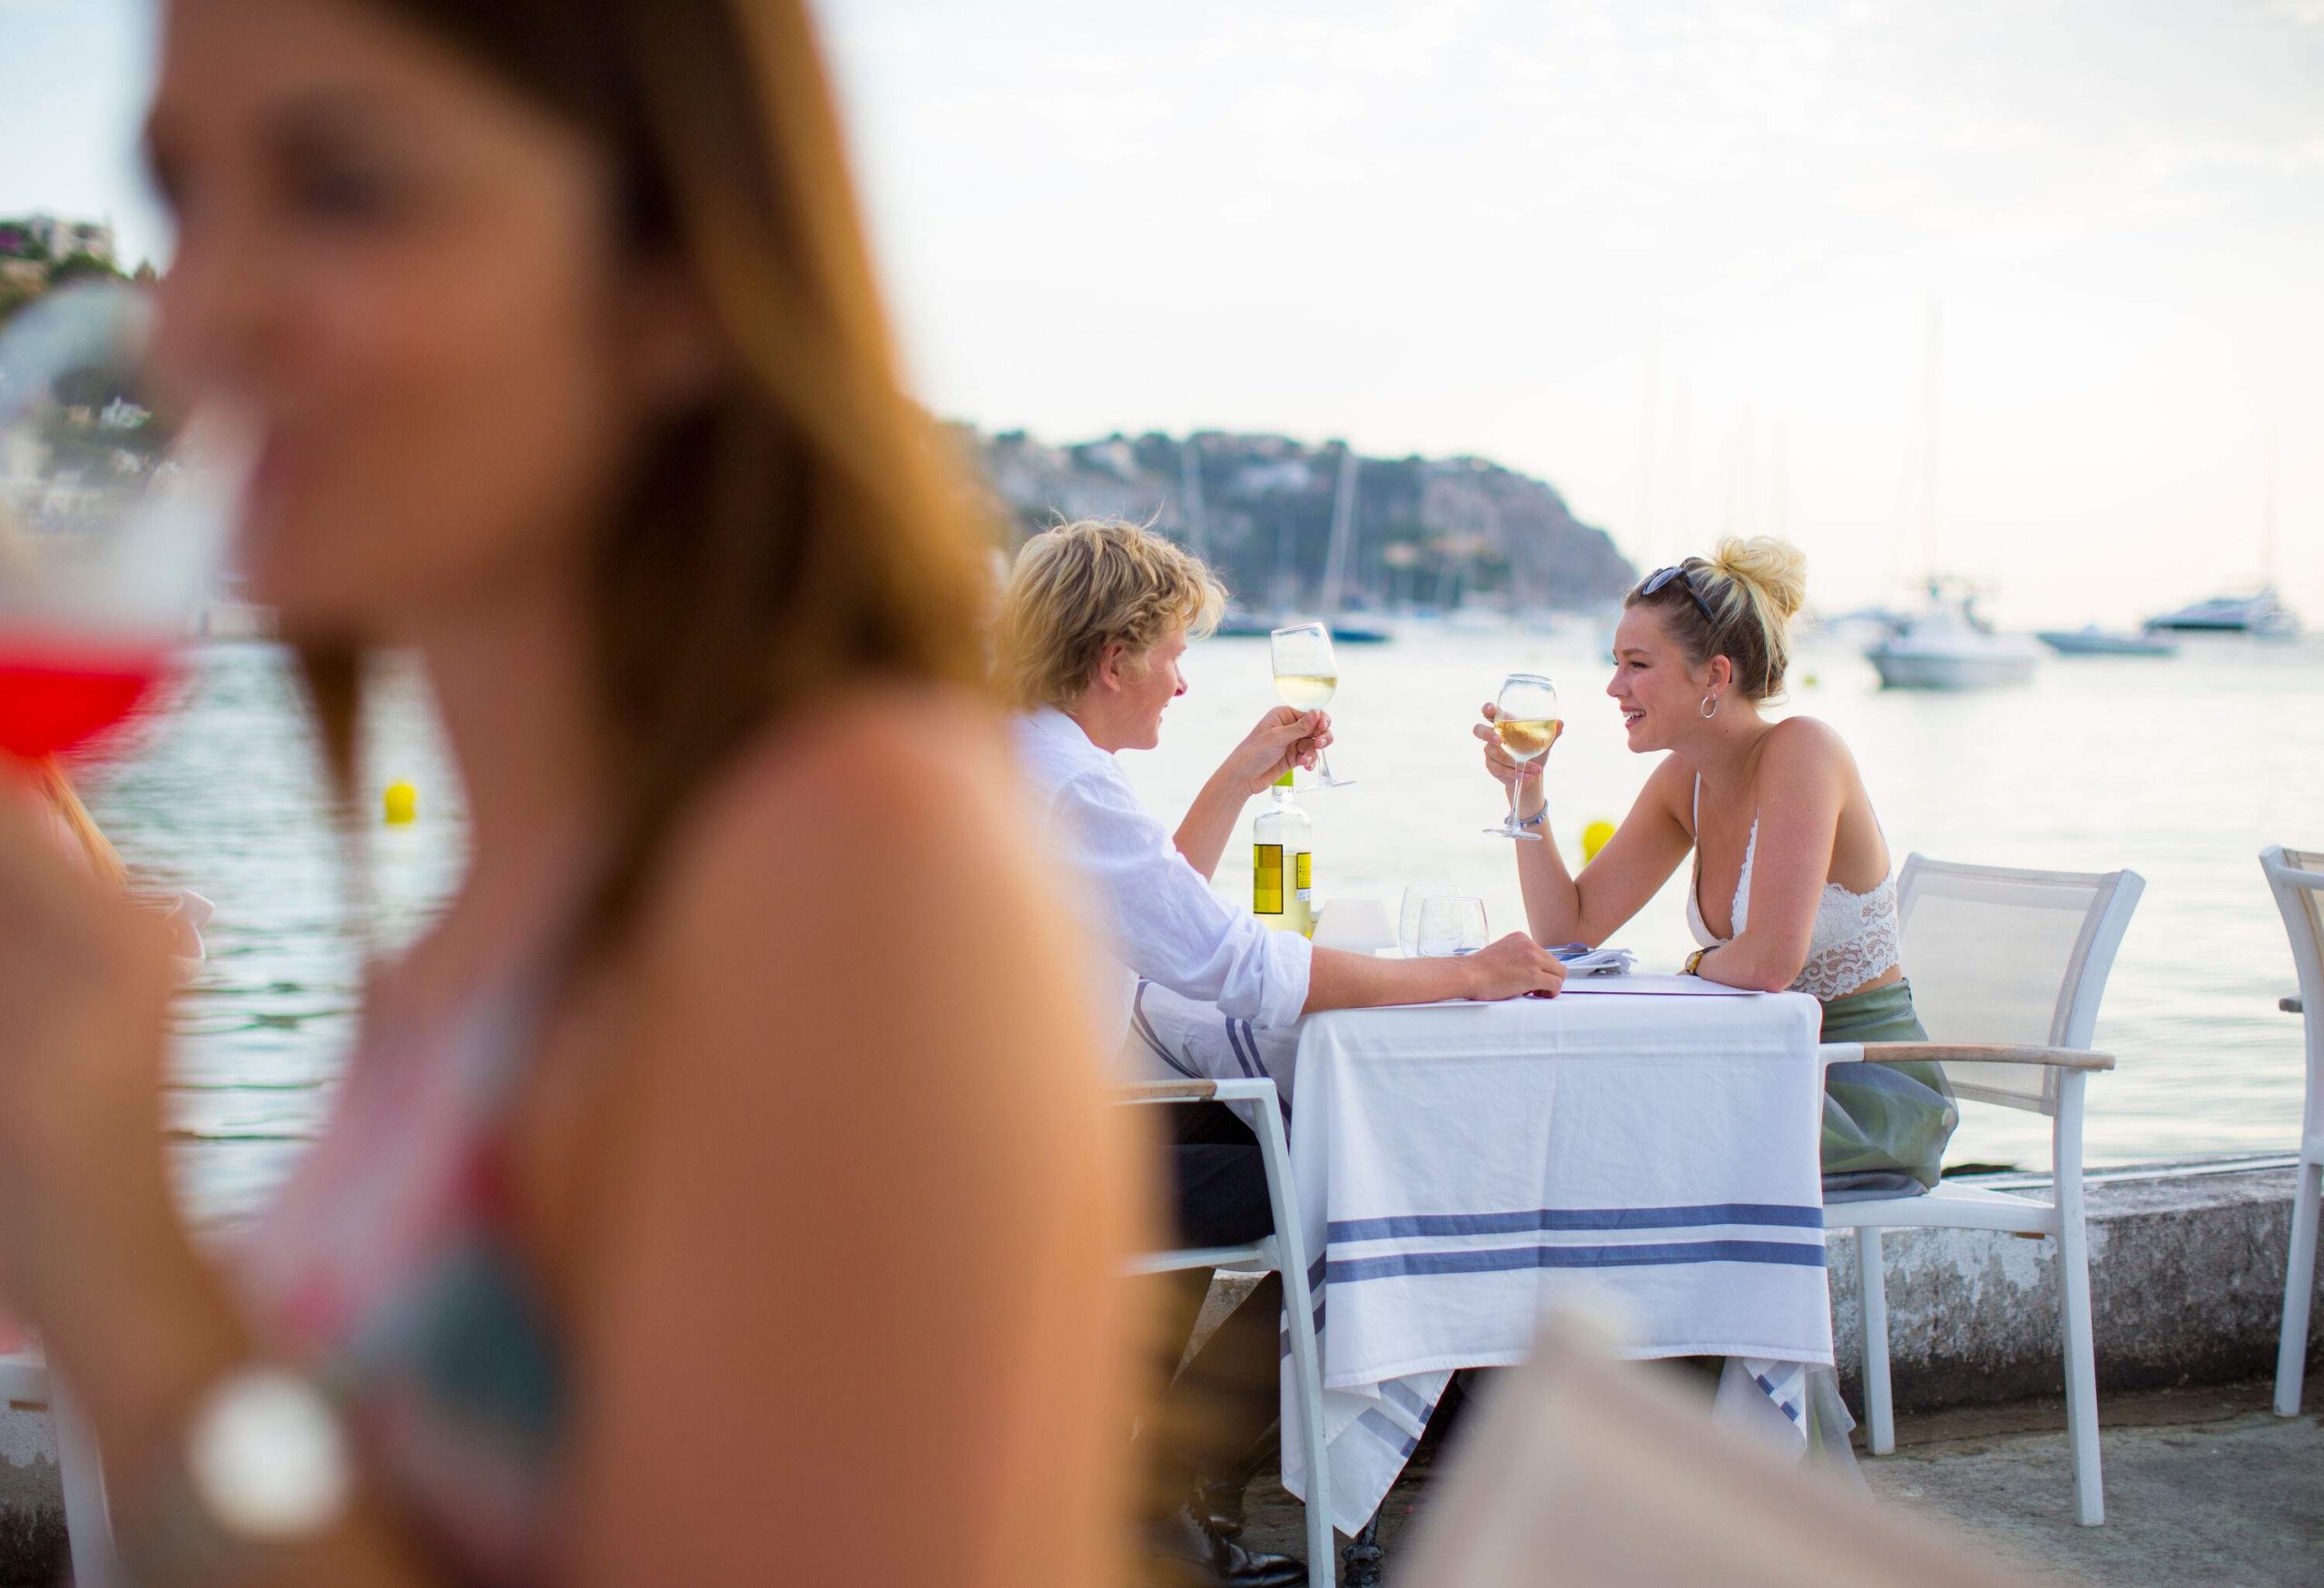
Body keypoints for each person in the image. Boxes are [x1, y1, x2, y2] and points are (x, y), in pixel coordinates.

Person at [0, 2, 1138, 1583]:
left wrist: (125, 1262)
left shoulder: (849, 868)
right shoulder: (505, 913)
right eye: (183, 197)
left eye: (340, 187)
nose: (192, 325)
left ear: (677, 275)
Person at [995, 518, 1565, 1588]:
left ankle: (1145, 1492)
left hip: (1012, 1139)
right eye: (1171, 657)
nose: (1178, 684)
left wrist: (1239, 777)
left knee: (1244, 1125)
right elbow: (1243, 967)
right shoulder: (1066, 782)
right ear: (1113, 657)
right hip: (1031, 1165)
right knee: (1363, 1181)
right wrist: (1468, 975)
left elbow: (1149, 915)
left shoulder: (1024, 752)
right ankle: (1159, 1490)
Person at [1475, 537, 1956, 1197]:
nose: (1615, 687)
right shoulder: (1686, 782)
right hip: (1762, 1068)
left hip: (1859, 1092)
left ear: (1715, 676)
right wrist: (1525, 794)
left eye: (1637, 664)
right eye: (1617, 664)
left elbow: (1767, 963)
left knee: (1613, 1134)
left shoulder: (1802, 751)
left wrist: (1693, 968)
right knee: (1575, 1117)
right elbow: (1571, 926)